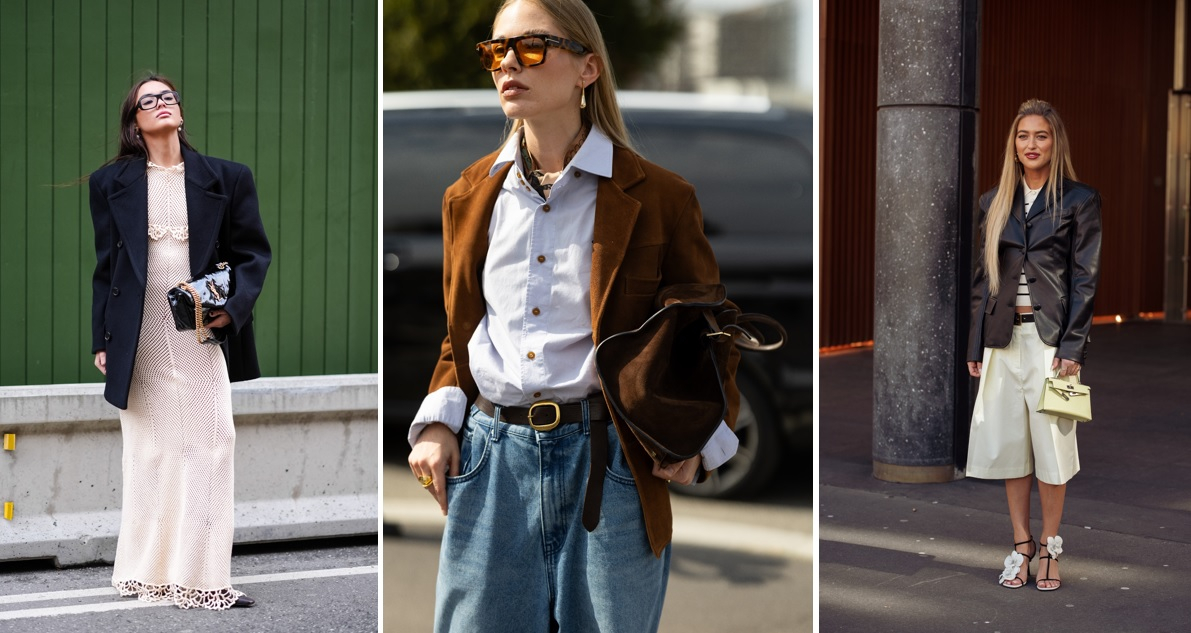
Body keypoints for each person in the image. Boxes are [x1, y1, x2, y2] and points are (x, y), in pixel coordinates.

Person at [405, 0, 741, 630]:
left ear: (588, 68)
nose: (508, 62)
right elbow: (464, 333)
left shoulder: (661, 197)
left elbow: (708, 332)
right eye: (494, 50)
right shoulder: (469, 194)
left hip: (611, 462)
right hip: (491, 461)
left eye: (532, 47)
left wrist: (700, 439)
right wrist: (438, 422)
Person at [89, 74, 271, 610]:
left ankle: (205, 576)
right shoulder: (111, 183)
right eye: (149, 100)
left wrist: (229, 312)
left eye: (168, 97)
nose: (161, 104)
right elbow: (107, 266)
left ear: (180, 112)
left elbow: (253, 256)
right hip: (138, 331)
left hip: (199, 329)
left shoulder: (228, 177)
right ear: (134, 120)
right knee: (151, 452)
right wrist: (103, 337)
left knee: (212, 444)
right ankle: (151, 572)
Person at [965, 98, 1101, 592]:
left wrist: (1072, 347)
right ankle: (1021, 546)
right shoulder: (992, 201)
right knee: (1009, 448)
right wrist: (975, 344)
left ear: (1055, 141)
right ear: (1013, 143)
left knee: (1052, 449)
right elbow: (982, 280)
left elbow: (1086, 280)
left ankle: (1050, 547)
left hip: (1051, 346)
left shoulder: (1079, 200)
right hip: (1003, 340)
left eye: (1040, 136)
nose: (1031, 145)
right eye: (1023, 136)